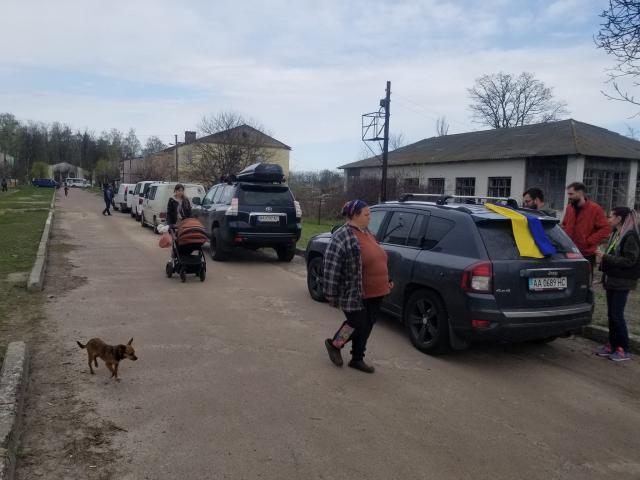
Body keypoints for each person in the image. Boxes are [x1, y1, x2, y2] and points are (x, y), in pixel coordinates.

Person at [323, 200, 393, 374]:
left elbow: (378, 258)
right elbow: (331, 265)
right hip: (354, 292)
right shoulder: (342, 236)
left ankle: (357, 358)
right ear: (354, 215)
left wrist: (387, 279)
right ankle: (335, 345)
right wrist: (330, 293)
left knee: (367, 325)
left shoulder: (367, 233)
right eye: (366, 214)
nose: (370, 217)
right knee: (357, 323)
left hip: (377, 291)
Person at [594, 207, 640, 362]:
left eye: (611, 216)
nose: (609, 219)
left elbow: (629, 260)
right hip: (612, 280)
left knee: (617, 315)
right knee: (611, 315)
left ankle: (623, 349)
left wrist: (605, 257)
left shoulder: (630, 235)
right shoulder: (616, 233)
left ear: (619, 218)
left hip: (623, 281)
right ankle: (613, 345)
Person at [561, 182, 610, 272]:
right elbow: (564, 225)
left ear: (580, 193)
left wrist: (589, 241)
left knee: (585, 279)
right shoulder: (569, 208)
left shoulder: (595, 209)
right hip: (569, 252)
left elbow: (605, 228)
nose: (569, 197)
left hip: (586, 254)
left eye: (571, 194)